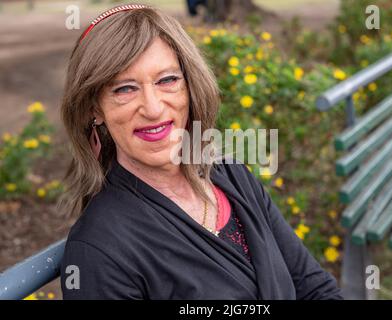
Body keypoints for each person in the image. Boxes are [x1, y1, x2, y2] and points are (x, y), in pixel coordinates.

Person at [59, 4, 343, 300]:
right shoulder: (100, 249)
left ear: (190, 87)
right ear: (95, 108)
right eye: (124, 89)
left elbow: (314, 287)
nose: (153, 108)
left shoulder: (230, 173)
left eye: (167, 80)